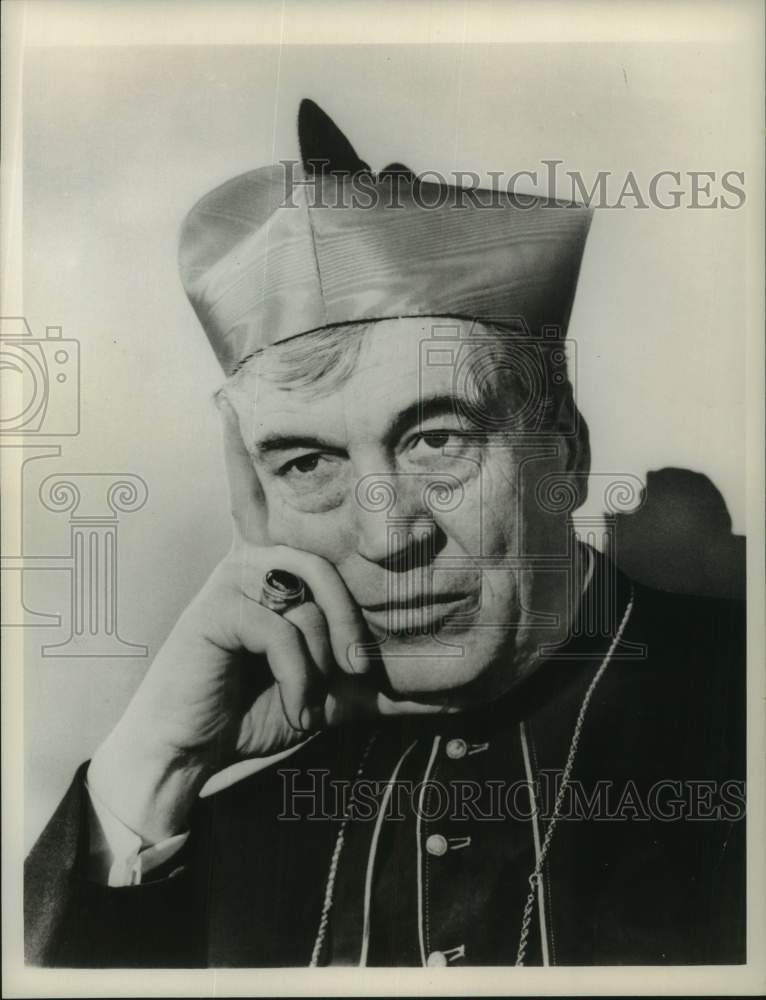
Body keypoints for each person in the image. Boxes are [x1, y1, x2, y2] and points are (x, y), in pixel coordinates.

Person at [25, 99, 745, 968]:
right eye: (306, 464)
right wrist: (154, 767)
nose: (386, 536)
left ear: (567, 453)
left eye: (435, 440)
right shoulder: (207, 831)